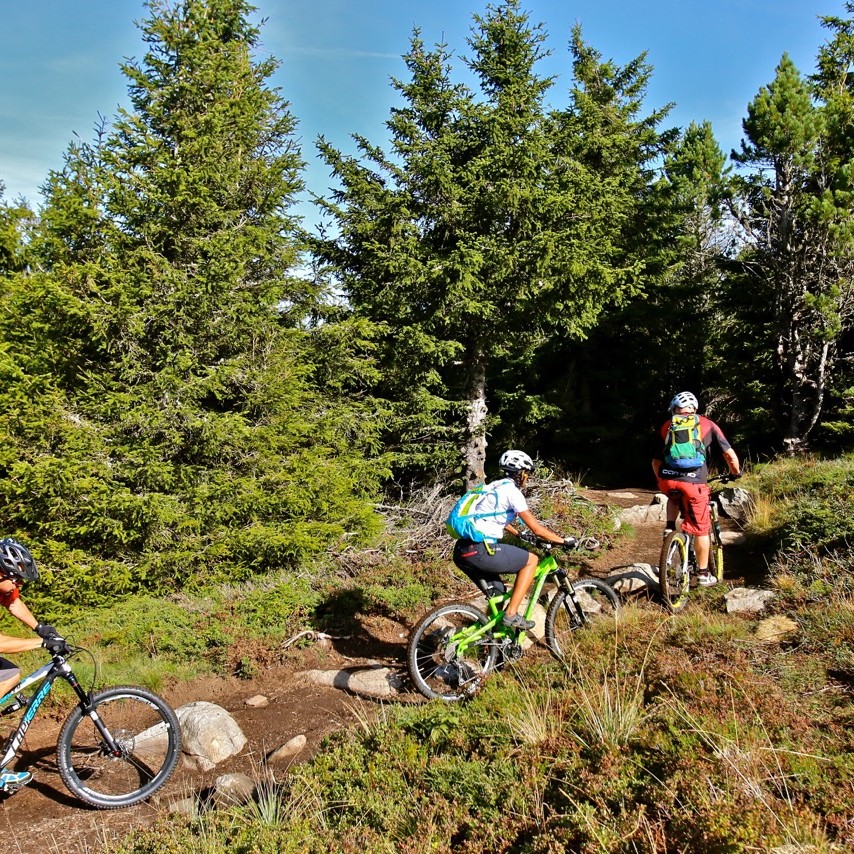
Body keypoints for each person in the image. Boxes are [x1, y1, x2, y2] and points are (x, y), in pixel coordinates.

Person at [452, 450, 578, 631]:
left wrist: (518, 534)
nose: (528, 478)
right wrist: (563, 541)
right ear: (521, 473)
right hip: (480, 550)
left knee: (498, 595)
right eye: (528, 474)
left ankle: (492, 646)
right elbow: (537, 529)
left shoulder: (493, 487)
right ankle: (511, 614)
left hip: (462, 550)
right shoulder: (512, 492)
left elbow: (493, 517)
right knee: (531, 561)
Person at [651, 392, 741, 587]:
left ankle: (669, 527)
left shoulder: (668, 425)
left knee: (673, 496)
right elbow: (730, 456)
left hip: (668, 480)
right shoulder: (707, 424)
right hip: (694, 483)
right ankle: (703, 573)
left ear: (673, 408)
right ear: (694, 408)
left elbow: (656, 461)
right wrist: (736, 473)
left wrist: (661, 479)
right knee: (701, 530)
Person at [0, 538, 66, 791]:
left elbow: (13, 602)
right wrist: (40, 644)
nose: (18, 584)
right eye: (15, 578)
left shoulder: (2, 584)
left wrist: (40, 628)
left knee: (10, 673)